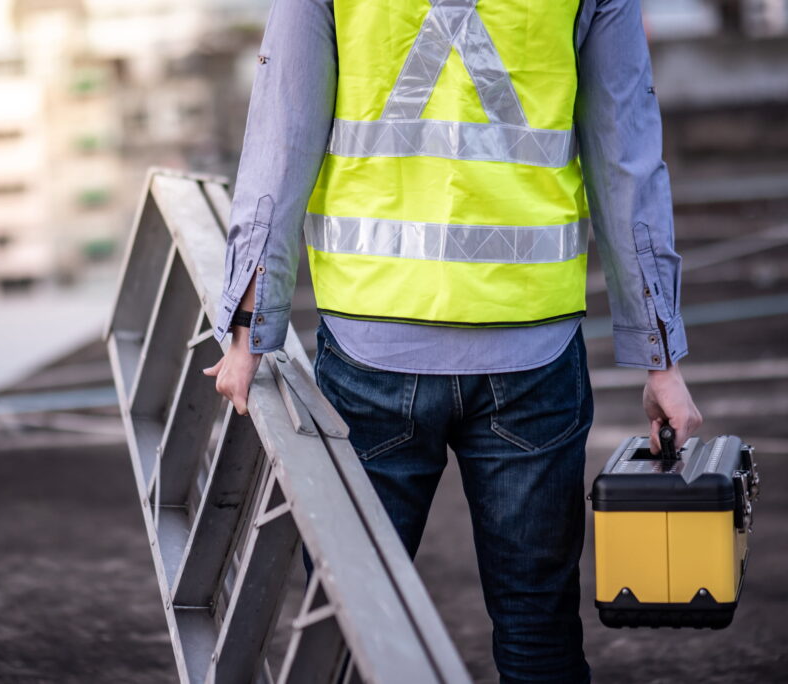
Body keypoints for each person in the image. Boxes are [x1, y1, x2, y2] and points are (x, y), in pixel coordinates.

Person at [204, 0, 703, 681]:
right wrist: (661, 361)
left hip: (371, 349)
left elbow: (280, 141)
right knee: (537, 625)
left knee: (349, 624)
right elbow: (627, 162)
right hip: (532, 353)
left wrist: (248, 334)